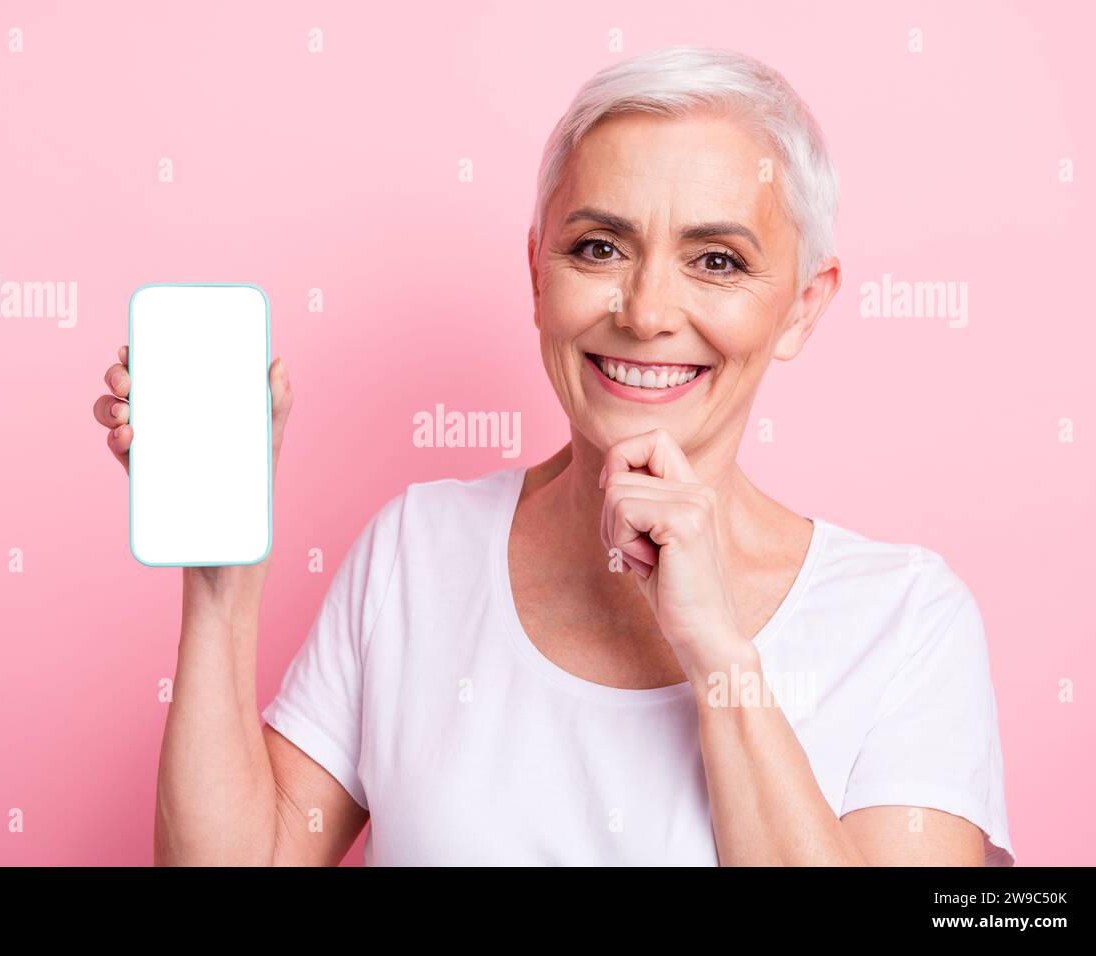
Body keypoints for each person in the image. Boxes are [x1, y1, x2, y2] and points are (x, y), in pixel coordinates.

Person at [92, 45, 1013, 866]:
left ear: (803, 308)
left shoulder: (907, 622)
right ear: (538, 272)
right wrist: (219, 584)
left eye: (718, 261)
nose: (647, 312)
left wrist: (716, 649)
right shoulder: (416, 549)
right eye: (600, 247)